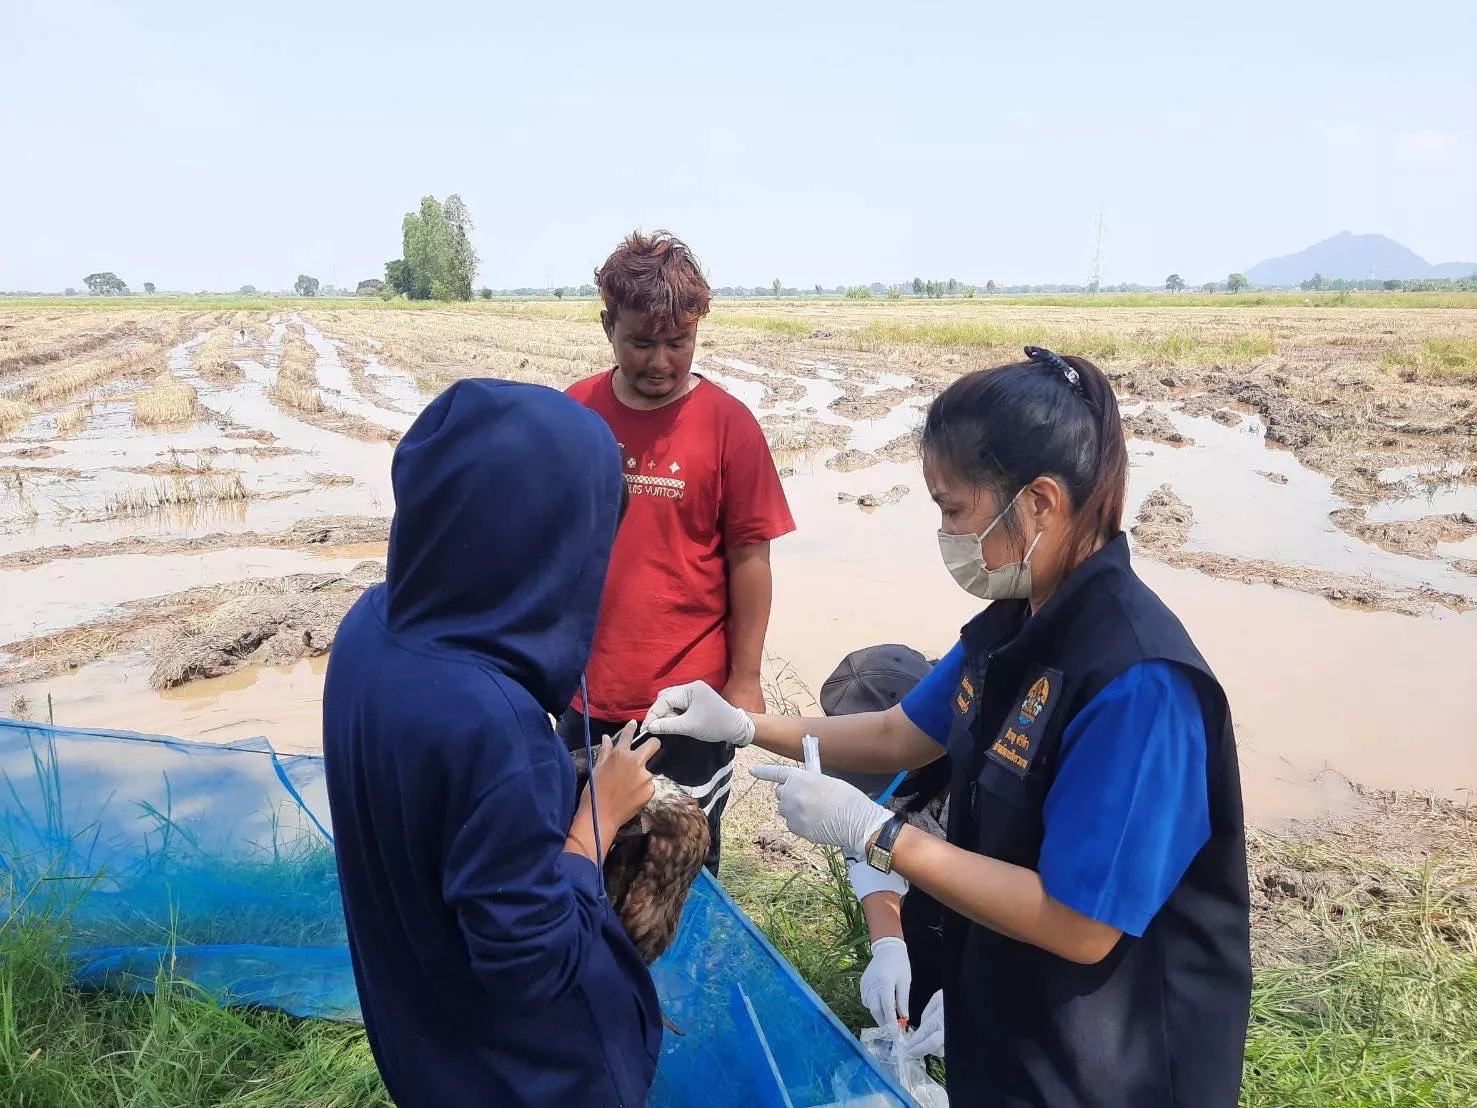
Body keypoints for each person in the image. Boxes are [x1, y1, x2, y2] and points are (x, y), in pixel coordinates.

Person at [643, 347, 1253, 1107]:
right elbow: (898, 736)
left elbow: (1081, 924)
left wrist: (878, 835)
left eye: (954, 509)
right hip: (1011, 1011)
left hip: (1107, 1063)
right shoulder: (1012, 624)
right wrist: (739, 723)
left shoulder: (1138, 682)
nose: (946, 532)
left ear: (1039, 503)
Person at [323, 379, 664, 1108]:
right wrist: (596, 817)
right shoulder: (496, 727)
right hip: (531, 1079)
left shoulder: (369, 626)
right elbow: (533, 965)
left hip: (423, 1037)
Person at [557, 230, 795, 875]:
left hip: (689, 703)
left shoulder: (729, 425)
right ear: (608, 326)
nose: (661, 361)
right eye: (641, 342)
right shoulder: (576, 412)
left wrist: (745, 678)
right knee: (580, 850)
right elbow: (549, 543)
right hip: (585, 691)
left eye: (678, 342)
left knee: (677, 868)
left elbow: (750, 560)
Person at [819, 644, 950, 1036]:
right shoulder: (847, 767)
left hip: (1006, 894)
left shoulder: (986, 772)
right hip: (926, 882)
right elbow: (866, 847)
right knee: (920, 975)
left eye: (882, 762)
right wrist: (888, 944)